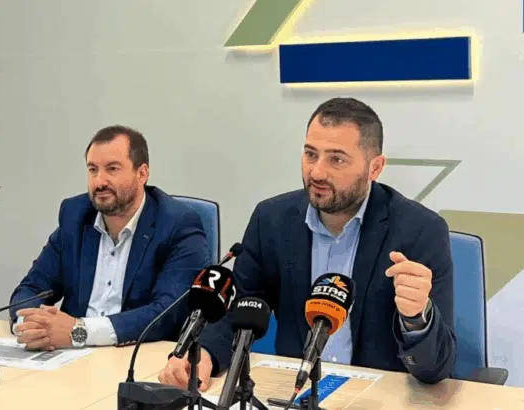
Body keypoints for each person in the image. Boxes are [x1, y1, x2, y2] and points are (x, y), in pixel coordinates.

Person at [158, 97, 456, 389]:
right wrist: (206, 354)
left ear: (374, 168)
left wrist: (416, 319)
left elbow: (437, 368)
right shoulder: (272, 220)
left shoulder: (419, 231)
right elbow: (241, 307)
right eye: (311, 154)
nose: (317, 172)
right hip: (295, 390)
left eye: (336, 159)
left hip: (379, 396)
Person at [9, 125, 210, 350]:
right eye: (93, 169)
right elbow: (31, 288)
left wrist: (80, 331)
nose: (99, 182)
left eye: (112, 169)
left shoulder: (177, 224)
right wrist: (31, 325)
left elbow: (167, 314)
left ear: (142, 174)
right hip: (68, 356)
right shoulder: (75, 216)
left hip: (135, 354)